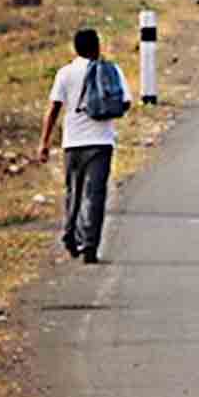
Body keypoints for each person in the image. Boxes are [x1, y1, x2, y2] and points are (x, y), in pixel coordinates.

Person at [37, 27, 132, 264]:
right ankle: (90, 245)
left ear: (75, 48)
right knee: (96, 194)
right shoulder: (112, 70)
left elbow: (53, 109)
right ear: (97, 46)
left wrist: (45, 142)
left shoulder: (65, 73)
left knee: (74, 192)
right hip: (101, 142)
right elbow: (125, 103)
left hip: (73, 142)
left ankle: (70, 234)